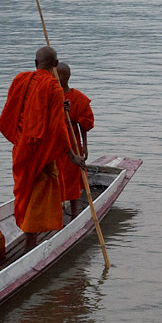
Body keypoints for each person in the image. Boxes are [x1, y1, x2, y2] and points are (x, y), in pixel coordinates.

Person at [0, 46, 87, 253]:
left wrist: (59, 107)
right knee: (38, 195)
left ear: (35, 62)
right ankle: (30, 245)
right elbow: (57, 127)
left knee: (27, 191)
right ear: (55, 64)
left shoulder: (20, 79)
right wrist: (71, 155)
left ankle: (34, 236)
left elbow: (11, 114)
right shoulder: (54, 87)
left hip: (22, 148)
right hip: (42, 153)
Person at [56, 62, 95, 218]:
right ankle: (56, 213)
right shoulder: (52, 95)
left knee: (73, 177)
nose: (54, 79)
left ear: (66, 78)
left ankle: (74, 214)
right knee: (55, 177)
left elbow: (83, 124)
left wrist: (85, 146)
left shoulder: (78, 98)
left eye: (57, 76)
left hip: (72, 141)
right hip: (55, 142)